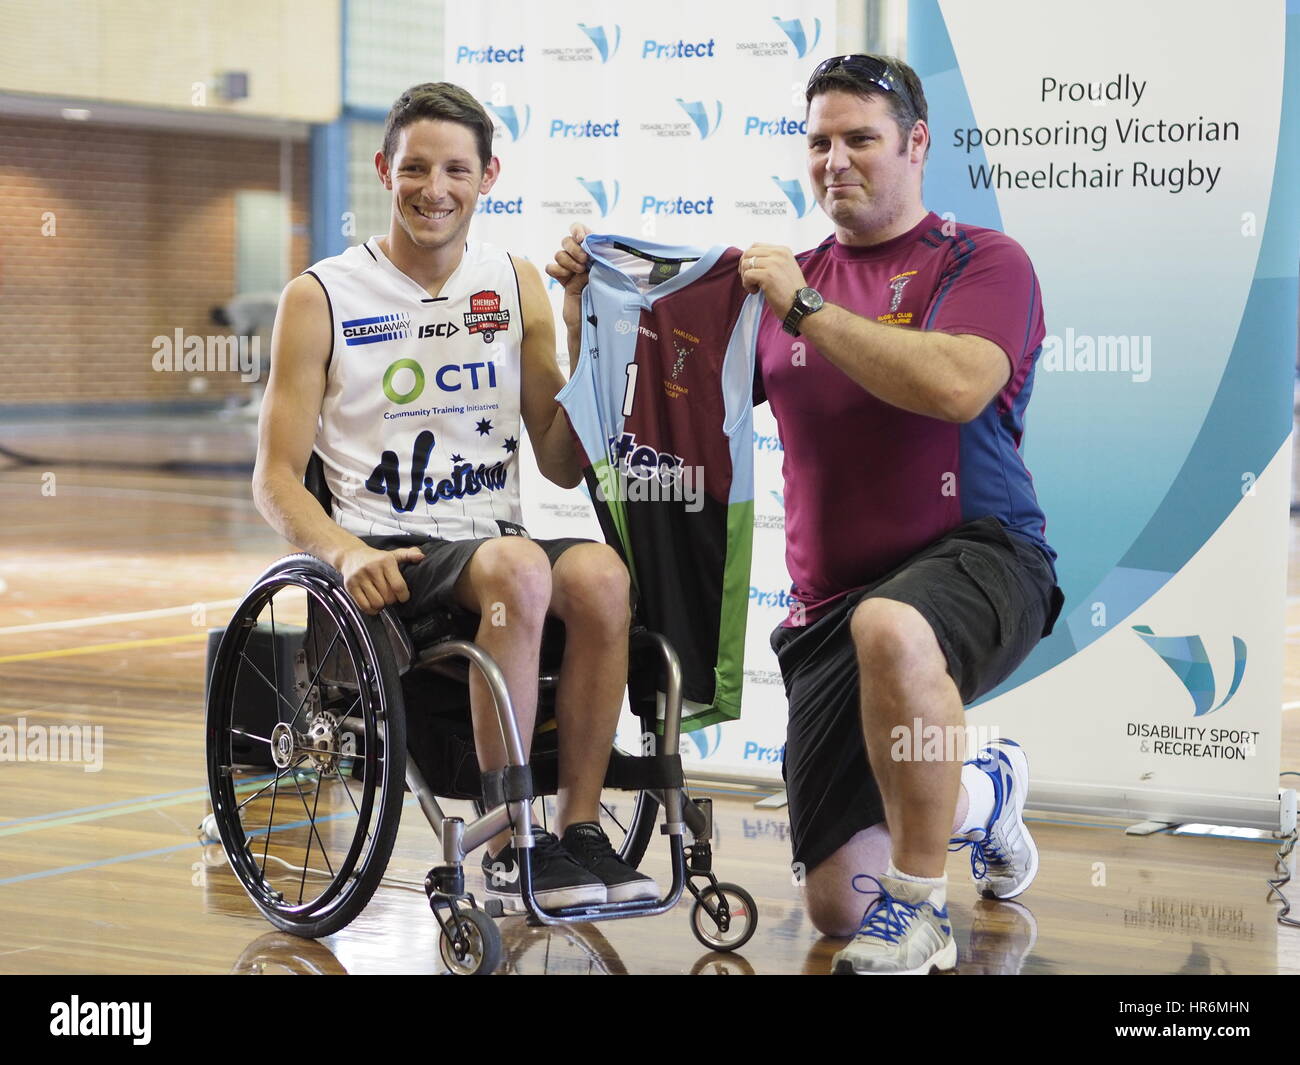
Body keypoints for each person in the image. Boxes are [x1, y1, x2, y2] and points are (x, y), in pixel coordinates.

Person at [550, 54, 1063, 974]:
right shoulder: (768, 293)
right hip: (829, 613)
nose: (836, 160)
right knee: (834, 908)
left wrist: (807, 305)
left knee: (894, 625)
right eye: (819, 141)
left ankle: (923, 912)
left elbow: (954, 385)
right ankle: (987, 792)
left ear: (916, 144)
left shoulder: (982, 259)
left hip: (984, 556)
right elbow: (623, 427)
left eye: (860, 138)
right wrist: (586, 303)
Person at [252, 81, 657, 914]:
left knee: (604, 577)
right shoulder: (320, 296)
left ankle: (578, 833)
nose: (434, 188)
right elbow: (273, 478)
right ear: (382, 169)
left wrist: (581, 325)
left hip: (489, 542)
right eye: (416, 168)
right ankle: (513, 844)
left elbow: (559, 461)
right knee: (517, 567)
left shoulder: (513, 283)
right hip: (391, 554)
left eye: (456, 170)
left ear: (489, 176)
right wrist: (343, 551)